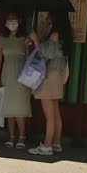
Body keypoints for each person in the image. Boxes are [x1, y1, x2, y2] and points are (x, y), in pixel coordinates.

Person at [27, 10, 72, 156]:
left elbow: (45, 53)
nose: (46, 18)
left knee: (49, 114)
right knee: (55, 111)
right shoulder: (66, 35)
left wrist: (35, 40)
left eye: (48, 16)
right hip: (58, 76)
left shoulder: (54, 35)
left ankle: (47, 145)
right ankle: (56, 142)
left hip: (49, 75)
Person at [0, 12, 32, 149]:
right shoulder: (2, 38)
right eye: (8, 20)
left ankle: (22, 137)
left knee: (20, 107)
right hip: (7, 74)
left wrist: (30, 44)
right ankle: (11, 137)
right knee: (8, 107)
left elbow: (31, 58)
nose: (11, 23)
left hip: (22, 75)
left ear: (19, 21)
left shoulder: (25, 38)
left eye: (14, 20)